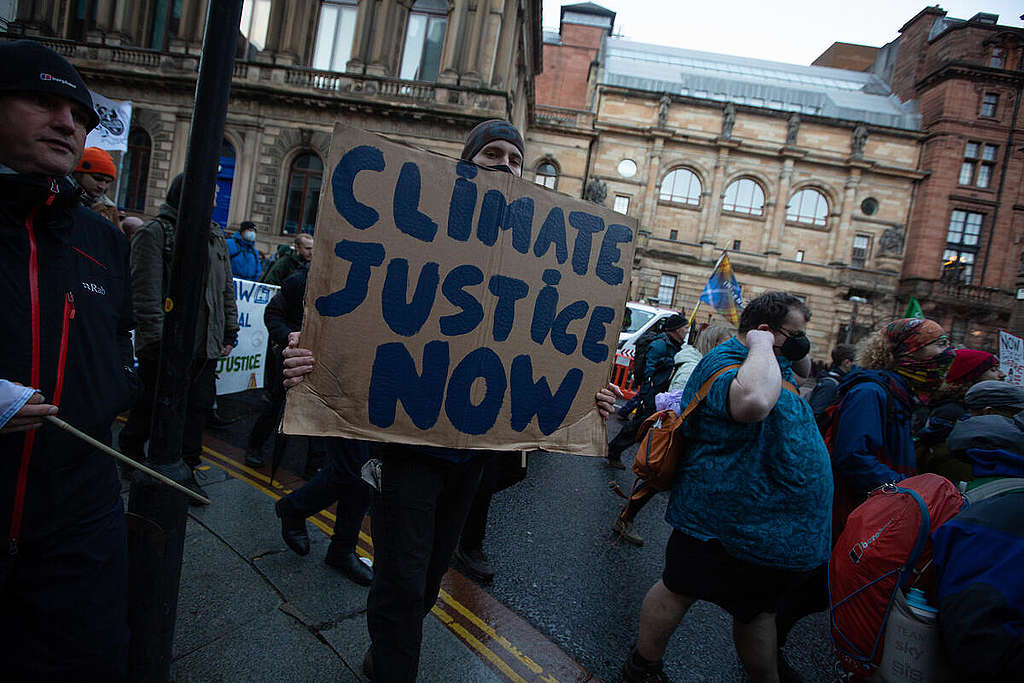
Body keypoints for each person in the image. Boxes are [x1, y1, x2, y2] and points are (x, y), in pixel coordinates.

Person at [0, 39, 138, 679]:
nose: (67, 124)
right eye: (42, 101)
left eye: (79, 115)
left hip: (80, 526)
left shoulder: (102, 240)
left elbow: (117, 346)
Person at [620, 292, 829, 683]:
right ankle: (642, 666)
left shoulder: (770, 360)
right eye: (796, 333)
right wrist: (763, 341)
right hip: (719, 522)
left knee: (756, 610)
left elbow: (801, 368)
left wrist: (788, 342)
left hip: (759, 529)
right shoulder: (728, 363)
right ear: (764, 332)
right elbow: (752, 403)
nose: (801, 341)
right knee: (678, 589)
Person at [119, 173, 238, 502]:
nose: (215, 200)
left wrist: (230, 329)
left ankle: (188, 467)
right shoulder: (155, 233)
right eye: (210, 193)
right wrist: (159, 343)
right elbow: (145, 294)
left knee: (197, 408)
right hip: (166, 348)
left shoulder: (215, 236)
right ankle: (130, 455)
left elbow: (226, 287)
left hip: (204, 346)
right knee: (150, 404)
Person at [613, 323, 734, 548]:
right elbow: (676, 403)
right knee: (656, 481)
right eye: (726, 343)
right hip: (678, 435)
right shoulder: (693, 366)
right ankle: (625, 519)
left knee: (659, 483)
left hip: (687, 436)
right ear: (714, 343)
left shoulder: (704, 364)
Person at [830, 318, 953, 527]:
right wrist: (908, 489)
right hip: (863, 516)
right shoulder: (869, 392)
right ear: (909, 349)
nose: (949, 352)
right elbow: (853, 458)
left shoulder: (902, 394)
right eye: (940, 344)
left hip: (886, 510)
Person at [606, 314, 688, 469]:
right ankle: (614, 451)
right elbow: (648, 374)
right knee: (637, 427)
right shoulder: (660, 345)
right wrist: (648, 396)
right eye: (685, 327)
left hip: (660, 395)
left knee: (642, 428)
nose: (687, 330)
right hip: (653, 395)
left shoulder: (673, 344)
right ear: (677, 329)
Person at [916, 349, 1004, 466]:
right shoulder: (951, 412)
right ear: (972, 376)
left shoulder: (968, 407)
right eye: (993, 369)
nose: (1003, 374)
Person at [927, 380, 1024, 485]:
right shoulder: (961, 460)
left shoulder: (958, 447)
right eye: (1015, 414)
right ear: (989, 412)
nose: (1020, 420)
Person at [72, 146, 120, 227]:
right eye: (97, 178)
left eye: (107, 182)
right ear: (78, 174)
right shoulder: (58, 197)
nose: (102, 186)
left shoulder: (110, 209)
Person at [807, 343, 856, 416]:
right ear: (847, 362)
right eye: (855, 361)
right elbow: (815, 414)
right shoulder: (830, 385)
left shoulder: (840, 381)